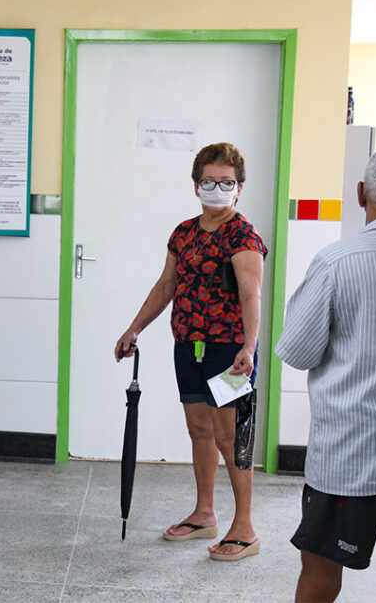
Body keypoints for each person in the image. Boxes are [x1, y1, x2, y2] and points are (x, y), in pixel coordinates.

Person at [275, 143, 376, 602]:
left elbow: (297, 351)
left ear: (361, 194)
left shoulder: (338, 261)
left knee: (320, 571)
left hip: (350, 453)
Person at [114, 142, 267, 561]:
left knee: (231, 437)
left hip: (229, 351)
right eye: (208, 181)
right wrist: (134, 329)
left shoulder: (243, 234)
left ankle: (245, 527)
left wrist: (249, 348)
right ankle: (204, 513)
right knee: (200, 431)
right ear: (196, 184)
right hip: (189, 346)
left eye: (226, 182)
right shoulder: (184, 232)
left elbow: (252, 295)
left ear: (239, 188)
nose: (217, 189)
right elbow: (166, 285)